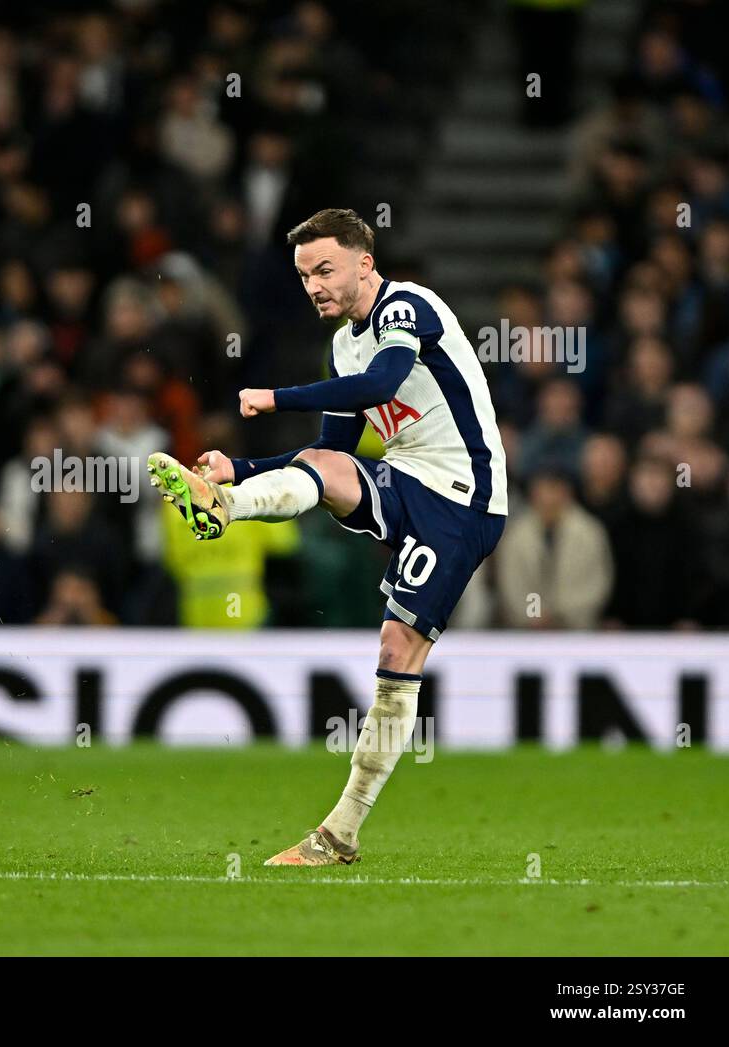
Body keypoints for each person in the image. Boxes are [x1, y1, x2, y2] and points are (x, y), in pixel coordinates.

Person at [148, 208, 508, 867]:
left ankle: (341, 828)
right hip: (406, 479)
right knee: (325, 468)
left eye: (324, 269)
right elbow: (328, 450)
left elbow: (383, 383)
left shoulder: (407, 307)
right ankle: (226, 501)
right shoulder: (343, 345)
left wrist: (274, 397)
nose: (312, 284)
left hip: (463, 497)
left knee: (399, 646)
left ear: (363, 263)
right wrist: (243, 466)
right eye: (303, 274)